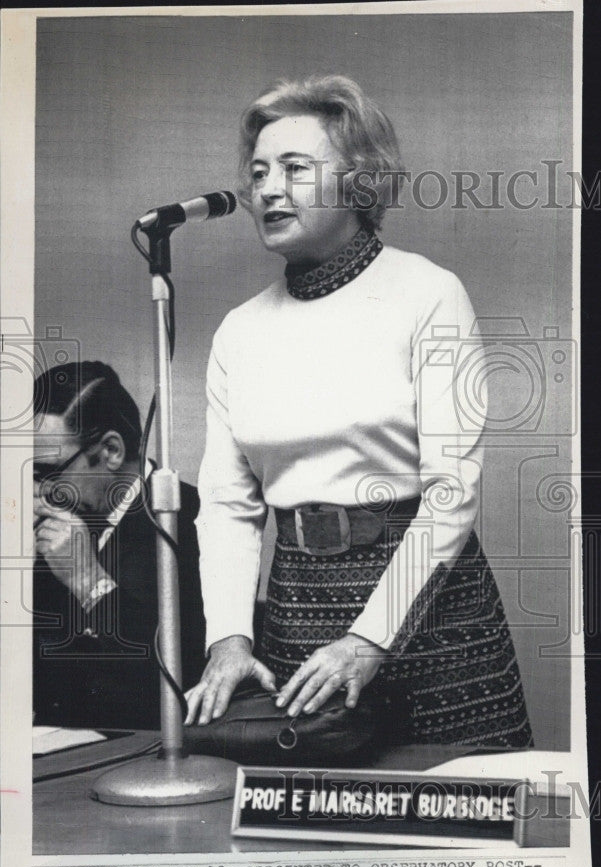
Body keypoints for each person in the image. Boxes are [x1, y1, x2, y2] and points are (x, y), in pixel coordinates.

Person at [184, 74, 533, 749]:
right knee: (309, 831)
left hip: (435, 619)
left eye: (294, 168)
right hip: (297, 618)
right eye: (257, 173)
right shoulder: (238, 330)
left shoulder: (427, 294)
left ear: (357, 181)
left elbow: (449, 490)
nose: (267, 189)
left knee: (456, 832)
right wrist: (227, 638)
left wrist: (368, 640)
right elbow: (228, 505)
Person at [33, 360, 205, 729]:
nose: (38, 492)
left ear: (111, 450)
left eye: (48, 473)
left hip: (140, 749)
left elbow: (180, 675)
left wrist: (88, 580)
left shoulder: (189, 518)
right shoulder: (56, 519)